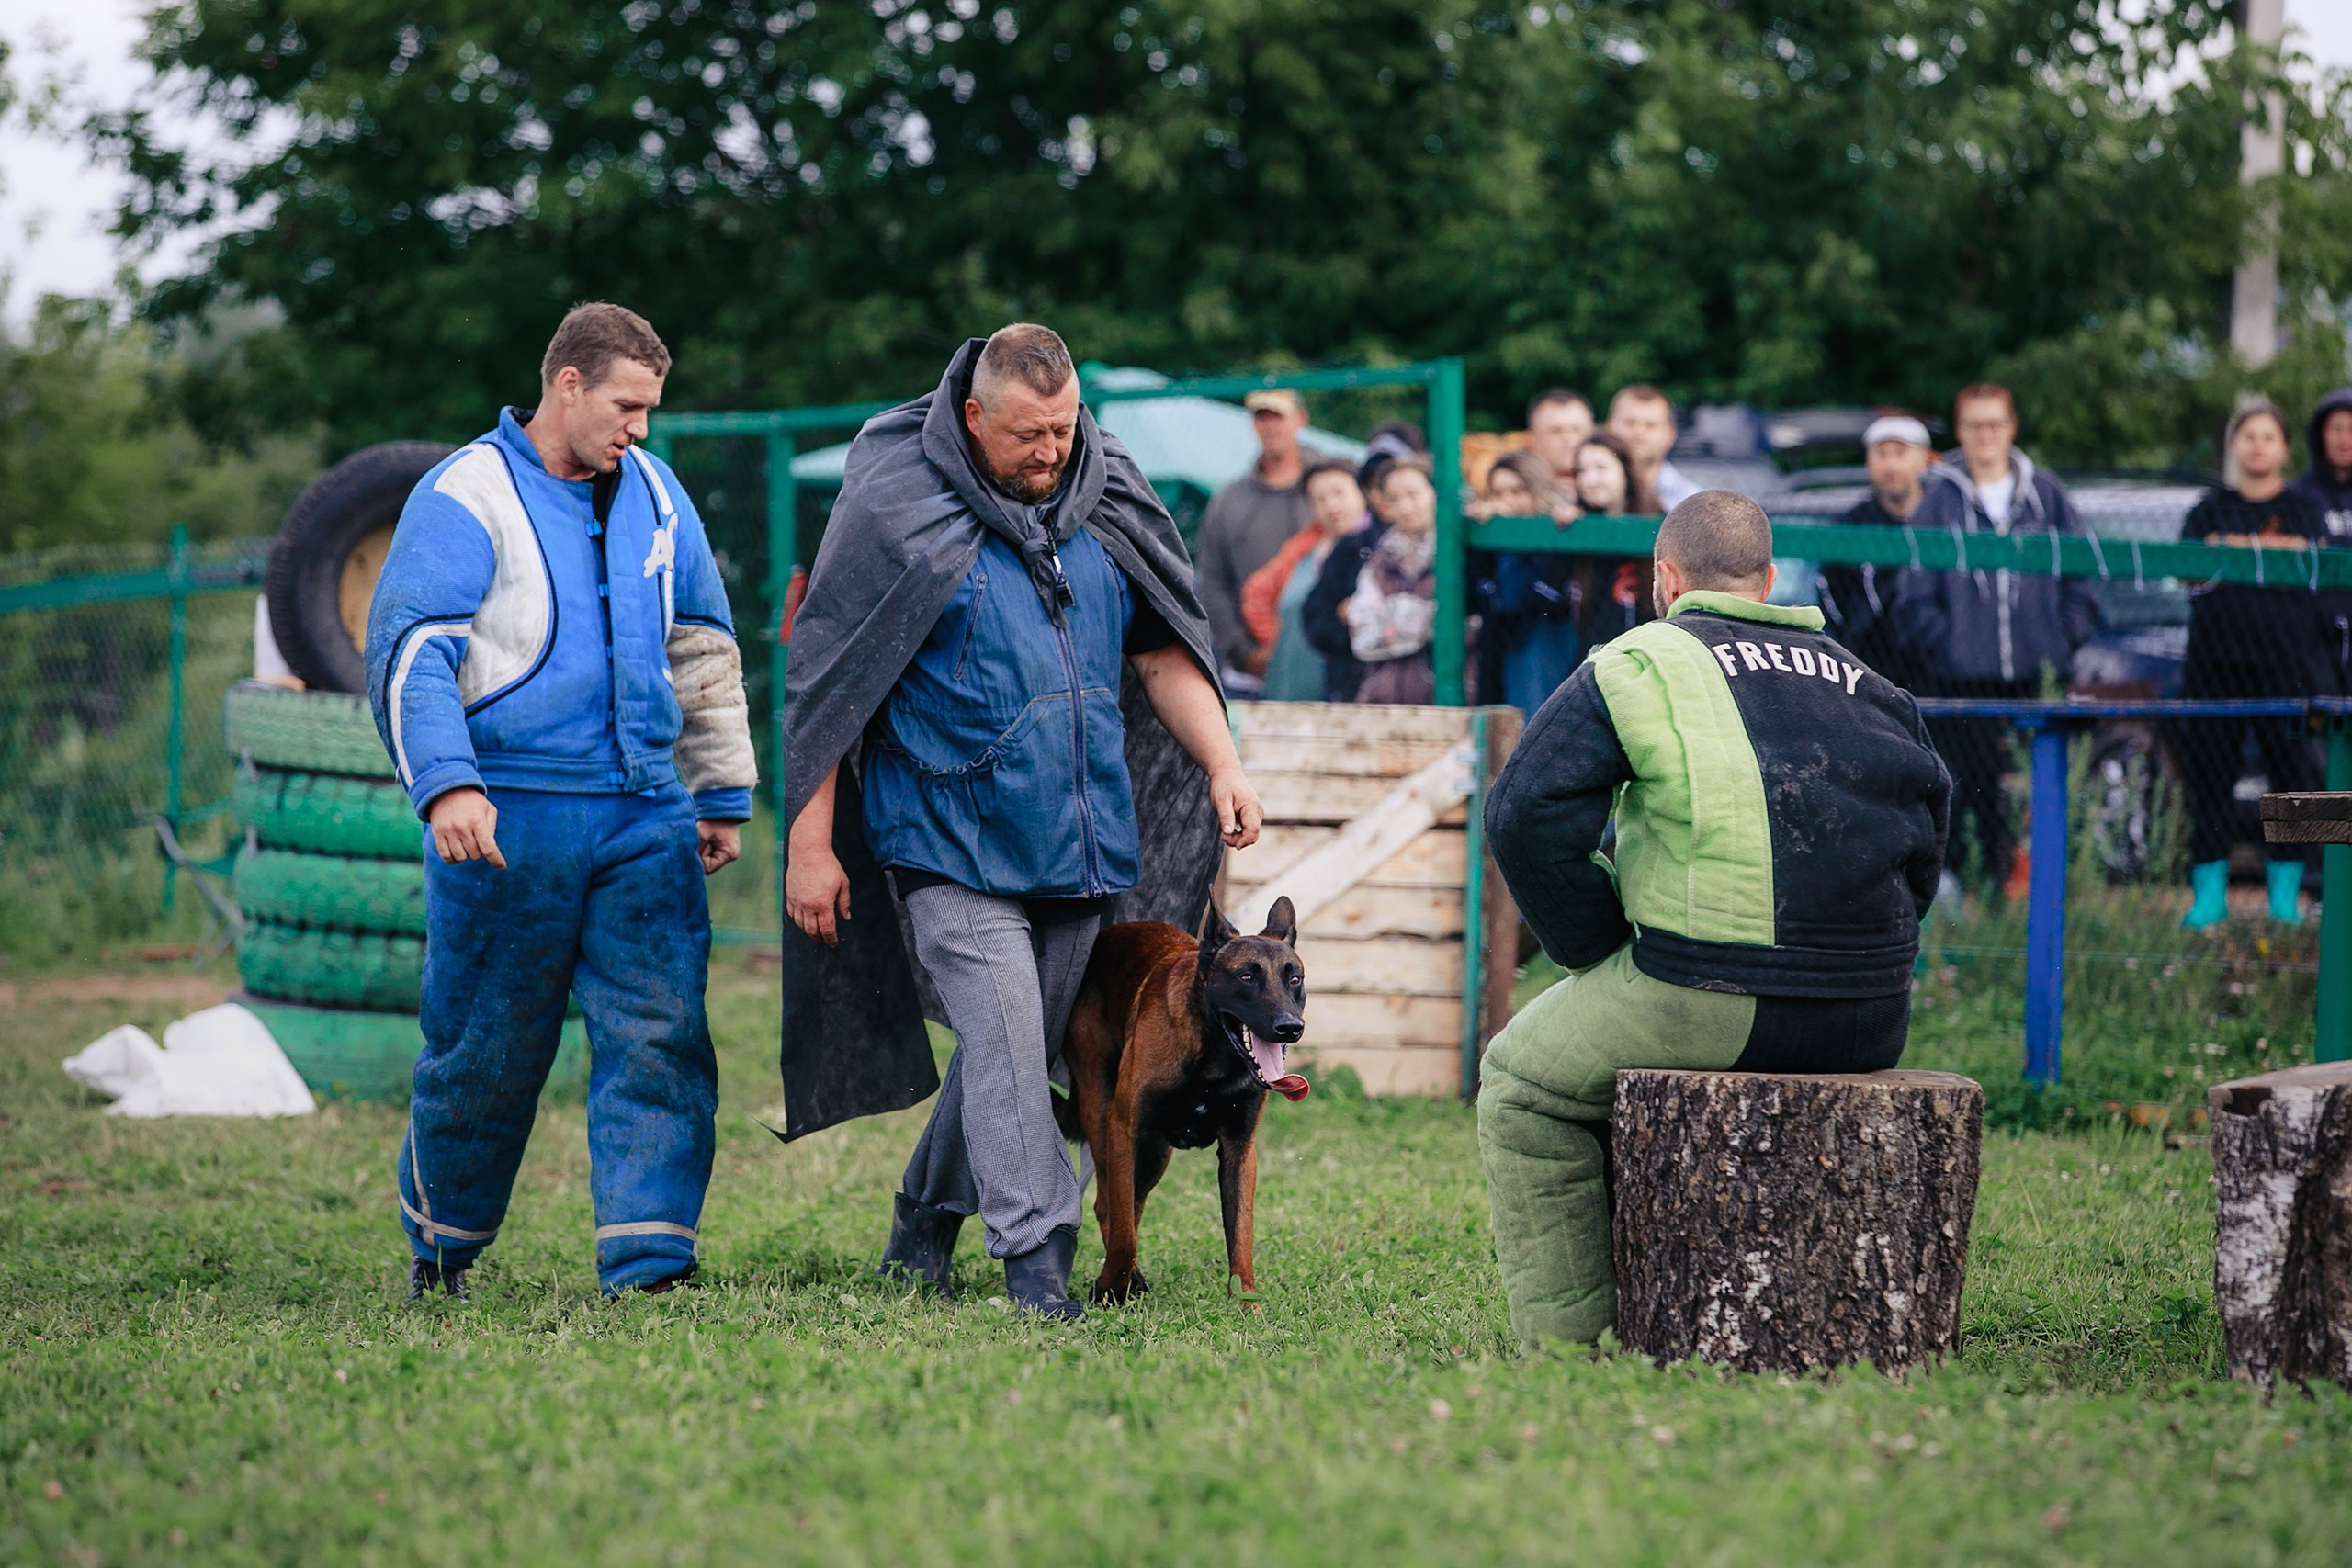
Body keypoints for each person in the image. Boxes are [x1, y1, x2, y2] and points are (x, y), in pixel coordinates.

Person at [777, 324, 1263, 1322]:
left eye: (1062, 429)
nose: (1049, 453)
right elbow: (830, 682)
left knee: (1008, 1047)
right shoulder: (893, 502)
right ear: (971, 417)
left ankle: (920, 1221)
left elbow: (1164, 652)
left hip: (1073, 848)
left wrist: (1222, 764)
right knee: (1005, 1041)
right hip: (944, 841)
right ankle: (1037, 1263)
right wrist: (810, 837)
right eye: (1026, 435)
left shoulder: (1104, 492)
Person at [1475, 490, 1951, 1347]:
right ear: (1769, 580)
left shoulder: (1638, 661)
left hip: (1704, 991)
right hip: (1873, 1017)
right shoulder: (1874, 686)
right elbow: (1926, 840)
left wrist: (1596, 947)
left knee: (1519, 1089)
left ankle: (1567, 1355)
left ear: (1665, 578)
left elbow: (1521, 813)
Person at [364, 303, 758, 1301]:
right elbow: (411, 654)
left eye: (652, 410)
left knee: (662, 1035)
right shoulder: (464, 492)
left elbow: (703, 645)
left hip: (643, 812)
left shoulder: (660, 495)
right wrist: (448, 786)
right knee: (485, 1049)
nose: (641, 429)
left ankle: (650, 1261)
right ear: (567, 384)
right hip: (509, 819)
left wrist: (718, 793)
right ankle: (441, 1246)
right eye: (628, 405)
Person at [1894, 384, 2099, 890]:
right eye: (1974, 425)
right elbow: (1913, 592)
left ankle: (2047, 897)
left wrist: (2061, 641)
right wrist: (1951, 647)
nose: (1986, 435)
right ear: (1960, 432)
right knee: (1969, 794)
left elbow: (2085, 575)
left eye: (1995, 424)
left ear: (2012, 428)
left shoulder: (2046, 496)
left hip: (2038, 676)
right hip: (1966, 680)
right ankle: (1981, 899)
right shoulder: (1938, 499)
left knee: (2042, 794)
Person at [2175, 400, 2333, 929]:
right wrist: (2259, 550)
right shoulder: (2207, 508)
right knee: (2210, 784)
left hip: (2286, 669)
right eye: (2248, 435)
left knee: (2293, 785)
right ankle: (2208, 898)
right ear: (2234, 446)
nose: (2258, 445)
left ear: (2285, 447)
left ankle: (2289, 899)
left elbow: (2309, 563)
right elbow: (2188, 571)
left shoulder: (2306, 507)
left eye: (2269, 435)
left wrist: (2233, 550)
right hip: (2214, 669)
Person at [1195, 389, 1313, 696]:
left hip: (1318, 663)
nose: (1270, 425)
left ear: (1301, 419)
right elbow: (1211, 582)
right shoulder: (1229, 500)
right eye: (1262, 417)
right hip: (1247, 673)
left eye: (1279, 416)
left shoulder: (1330, 491)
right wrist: (1243, 652)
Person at [1302, 432, 1421, 701]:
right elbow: (1316, 619)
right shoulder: (1350, 548)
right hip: (1357, 688)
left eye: (1404, 490)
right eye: (1373, 485)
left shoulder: (1443, 548)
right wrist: (1360, 637)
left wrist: (1361, 614)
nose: (1386, 495)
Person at [1819, 414, 1935, 686]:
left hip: (1940, 676)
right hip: (1867, 675)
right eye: (1881, 454)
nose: (1891, 464)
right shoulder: (1848, 528)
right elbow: (1829, 597)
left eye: (1900, 452)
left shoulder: (1948, 521)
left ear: (1923, 460)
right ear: (1868, 462)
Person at [1244, 458, 1362, 702]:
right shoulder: (1303, 549)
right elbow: (1256, 594)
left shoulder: (1377, 550)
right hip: (1287, 684)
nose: (1331, 505)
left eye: (1339, 493)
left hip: (1346, 694)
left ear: (1361, 493)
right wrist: (1272, 640)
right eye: (1319, 499)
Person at [1477, 452, 1582, 715]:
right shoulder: (1485, 535)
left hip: (1545, 646)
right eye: (1497, 493)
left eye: (1517, 491)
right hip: (1500, 650)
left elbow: (1524, 596)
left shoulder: (1557, 527)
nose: (1507, 502)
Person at [1345, 456, 1441, 704]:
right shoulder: (1379, 561)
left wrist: (1390, 616)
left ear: (1433, 492)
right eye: (1395, 499)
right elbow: (1362, 634)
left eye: (1413, 494)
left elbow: (1467, 624)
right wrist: (1424, 617)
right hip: (1383, 699)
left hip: (1444, 694)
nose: (1406, 507)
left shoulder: (1456, 555)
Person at [1570, 432, 1657, 653]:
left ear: (1625, 471)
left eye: (1601, 468)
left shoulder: (1659, 523)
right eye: (1582, 471)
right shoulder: (1575, 527)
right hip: (1592, 663)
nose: (1589, 480)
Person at [2290, 387, 2352, 694]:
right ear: (2321, 434)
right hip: (2311, 640)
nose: (2344, 439)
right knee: (2318, 729)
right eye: (2336, 429)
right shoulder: (2298, 495)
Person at [1607, 385, 1697, 511]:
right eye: (1630, 423)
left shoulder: (1693, 502)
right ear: (1609, 428)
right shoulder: (1583, 494)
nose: (1639, 432)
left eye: (1650, 425)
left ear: (1670, 435)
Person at [1523, 389, 1595, 517]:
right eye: (1556, 431)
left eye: (1576, 430)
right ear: (1532, 440)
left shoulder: (1617, 490)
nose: (1568, 438)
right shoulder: (1516, 491)